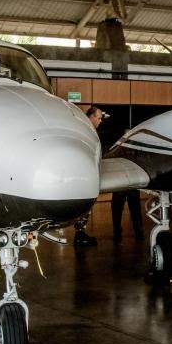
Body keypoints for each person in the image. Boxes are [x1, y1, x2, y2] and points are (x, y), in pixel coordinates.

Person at [73, 105, 108, 247]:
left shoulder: (87, 128)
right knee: (84, 206)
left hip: (86, 172)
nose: (100, 121)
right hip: (82, 174)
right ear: (92, 117)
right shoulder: (85, 129)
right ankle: (79, 236)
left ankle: (80, 234)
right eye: (98, 118)